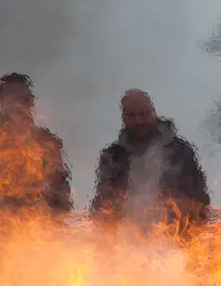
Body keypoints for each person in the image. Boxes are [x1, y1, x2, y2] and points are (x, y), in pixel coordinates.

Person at [90, 89, 210, 235]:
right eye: (132, 116)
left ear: (153, 112)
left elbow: (199, 199)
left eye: (143, 114)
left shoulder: (180, 152)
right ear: (124, 118)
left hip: (173, 239)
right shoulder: (113, 156)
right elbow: (102, 205)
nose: (139, 121)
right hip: (127, 240)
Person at [0, 72, 72, 216]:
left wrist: (45, 194)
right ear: (2, 101)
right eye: (13, 98)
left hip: (39, 228)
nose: (20, 105)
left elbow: (62, 197)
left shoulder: (48, 143)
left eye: (25, 99)